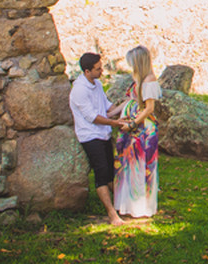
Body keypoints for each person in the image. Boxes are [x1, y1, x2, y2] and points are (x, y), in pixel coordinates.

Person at [69, 52, 131, 226]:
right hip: (90, 136)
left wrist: (125, 107)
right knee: (101, 174)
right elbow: (92, 117)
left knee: (110, 172)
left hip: (103, 133)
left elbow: (107, 107)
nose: (101, 71)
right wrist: (115, 123)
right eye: (98, 69)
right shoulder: (79, 90)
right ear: (87, 71)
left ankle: (123, 206)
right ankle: (112, 214)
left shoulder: (96, 84)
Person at [114, 45, 162, 218]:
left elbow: (149, 108)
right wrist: (112, 114)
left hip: (142, 129)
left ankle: (141, 206)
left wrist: (133, 123)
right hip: (132, 127)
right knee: (128, 163)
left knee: (141, 164)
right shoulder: (138, 79)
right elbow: (131, 100)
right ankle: (127, 204)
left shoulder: (149, 80)